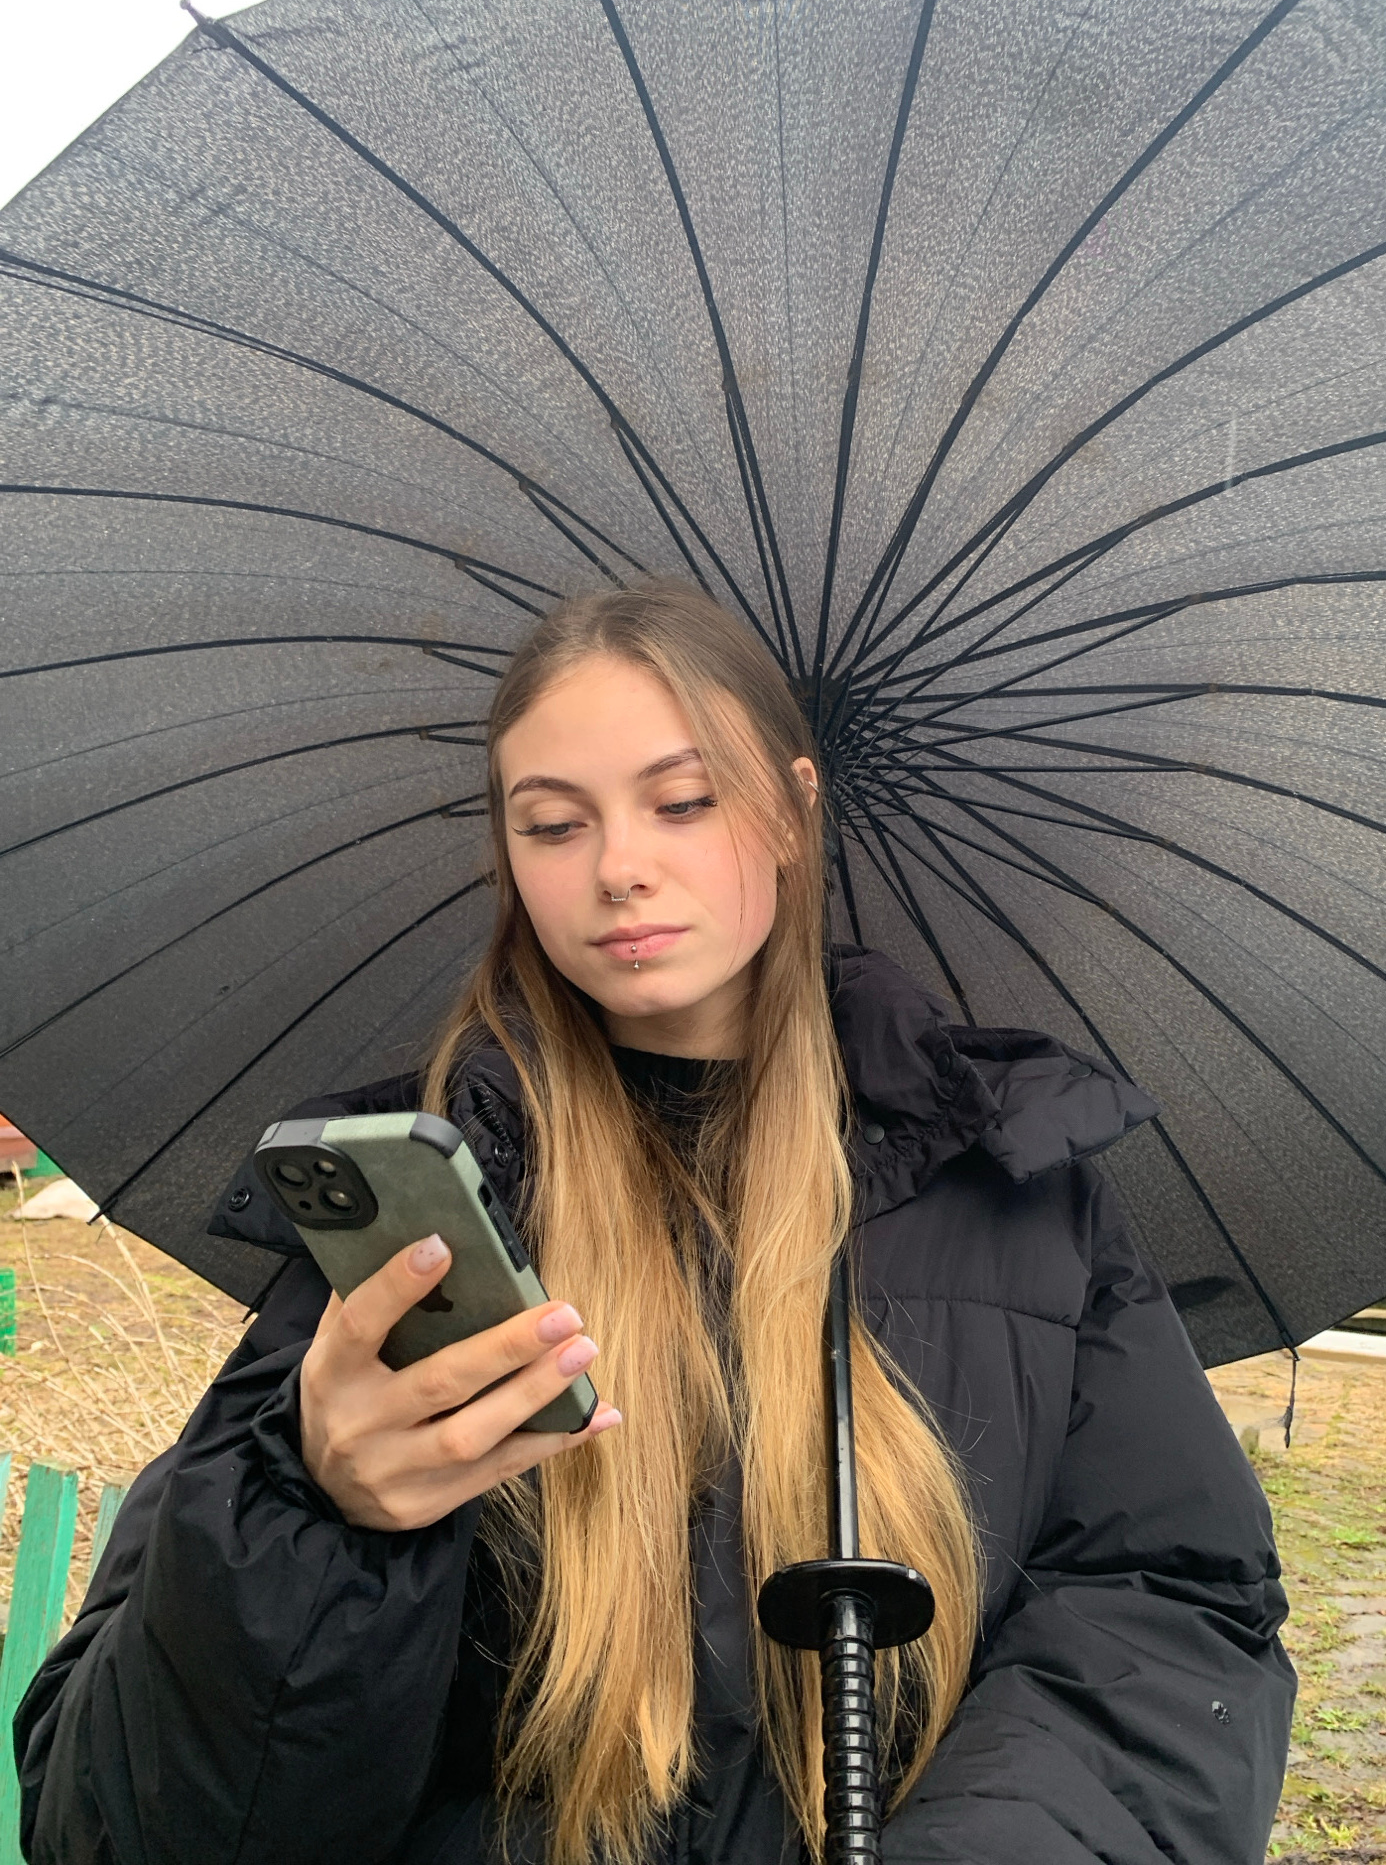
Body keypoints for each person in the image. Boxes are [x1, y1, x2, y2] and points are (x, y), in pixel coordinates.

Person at [14, 582, 1296, 1865]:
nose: (618, 867)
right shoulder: (427, 1214)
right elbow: (108, 1821)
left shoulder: (1017, 1186)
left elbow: (1164, 1614)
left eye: (683, 801)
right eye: (553, 824)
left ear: (791, 808)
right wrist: (314, 1509)